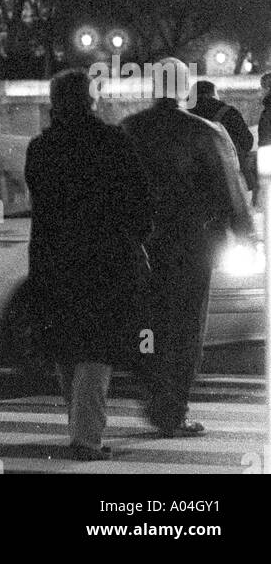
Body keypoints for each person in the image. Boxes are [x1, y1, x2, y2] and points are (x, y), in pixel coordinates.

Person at [122, 57, 255, 438]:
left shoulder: (130, 129)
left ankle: (152, 393)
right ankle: (171, 408)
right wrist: (244, 234)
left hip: (141, 247)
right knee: (185, 329)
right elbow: (231, 190)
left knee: (146, 324)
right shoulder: (206, 132)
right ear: (184, 89)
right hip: (192, 247)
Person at [25, 68, 152, 461]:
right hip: (106, 258)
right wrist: (137, 237)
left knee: (67, 345)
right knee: (99, 348)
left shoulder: (41, 148)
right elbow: (140, 200)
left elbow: (41, 201)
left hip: (55, 257)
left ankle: (79, 427)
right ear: (91, 99)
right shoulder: (114, 142)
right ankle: (86, 438)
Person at [189, 78, 255, 193]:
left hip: (196, 179)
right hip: (228, 175)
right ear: (213, 94)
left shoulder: (185, 115)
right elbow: (247, 143)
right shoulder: (228, 113)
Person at [258, 73, 271, 149]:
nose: (260, 92)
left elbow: (265, 142)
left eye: (261, 88)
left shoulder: (268, 111)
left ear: (268, 89)